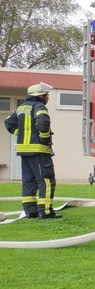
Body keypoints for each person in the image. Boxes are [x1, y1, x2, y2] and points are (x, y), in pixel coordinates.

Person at [4, 82, 60, 219]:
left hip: (24, 151)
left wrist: (21, 134)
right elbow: (43, 123)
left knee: (29, 181)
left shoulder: (21, 108)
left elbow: (8, 123)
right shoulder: (39, 106)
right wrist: (43, 138)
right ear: (40, 96)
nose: (48, 97)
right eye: (46, 95)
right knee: (46, 180)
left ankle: (31, 211)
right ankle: (46, 211)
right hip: (39, 150)